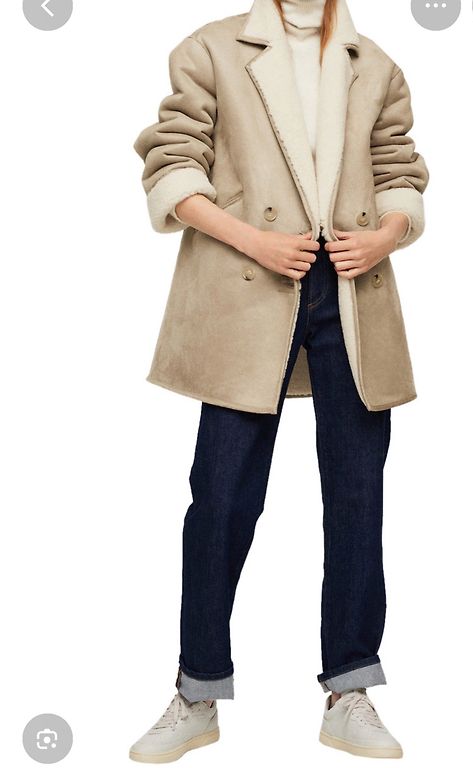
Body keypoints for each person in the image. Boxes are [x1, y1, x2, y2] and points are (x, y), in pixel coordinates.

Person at [129, 0, 429, 761]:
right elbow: (171, 164)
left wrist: (384, 236)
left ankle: (350, 689)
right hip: (250, 281)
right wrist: (253, 240)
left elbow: (400, 170)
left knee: (357, 496)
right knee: (222, 498)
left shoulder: (376, 64)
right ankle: (197, 691)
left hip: (351, 290)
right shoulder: (209, 49)